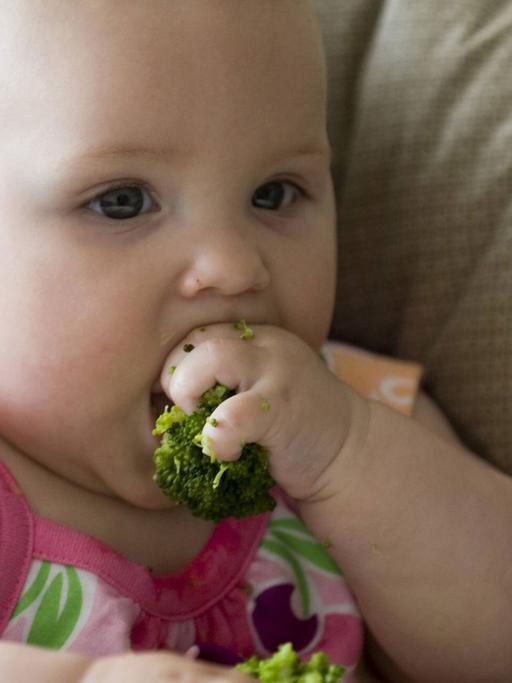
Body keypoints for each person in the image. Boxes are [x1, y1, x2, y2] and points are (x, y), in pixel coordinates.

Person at [0, 1, 510, 682]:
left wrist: (344, 451)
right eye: (121, 201)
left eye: (274, 193)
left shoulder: (358, 419)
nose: (235, 266)